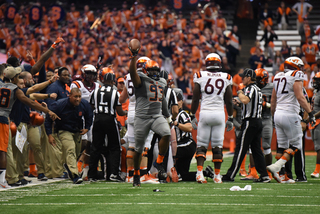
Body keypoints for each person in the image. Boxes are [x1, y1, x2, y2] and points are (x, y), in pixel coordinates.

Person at [0, 66, 59, 188]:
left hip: (15, 123)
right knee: (6, 151)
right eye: (19, 80)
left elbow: (33, 95)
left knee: (17, 151)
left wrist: (46, 96)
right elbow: (30, 100)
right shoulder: (15, 90)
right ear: (14, 78)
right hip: (7, 121)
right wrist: (48, 111)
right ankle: (9, 178)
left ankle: (16, 176)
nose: (22, 83)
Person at [128, 44, 172, 187]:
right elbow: (133, 73)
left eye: (156, 70)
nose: (154, 73)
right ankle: (135, 174)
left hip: (156, 115)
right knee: (139, 149)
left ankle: (158, 162)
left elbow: (162, 99)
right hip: (141, 117)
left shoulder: (162, 82)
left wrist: (168, 115)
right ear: (146, 71)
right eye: (151, 70)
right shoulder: (140, 80)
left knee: (166, 133)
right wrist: (134, 57)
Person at [267, 56, 316, 183]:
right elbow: (300, 97)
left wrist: (274, 115)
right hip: (290, 113)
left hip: (278, 113)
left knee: (282, 146)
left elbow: (273, 99)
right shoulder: (296, 75)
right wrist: (310, 113)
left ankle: (282, 176)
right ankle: (277, 167)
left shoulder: (277, 76)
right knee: (297, 145)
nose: (301, 70)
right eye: (300, 67)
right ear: (295, 66)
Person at [190, 53, 233, 184]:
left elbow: (196, 98)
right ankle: (217, 176)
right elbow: (229, 100)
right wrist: (230, 117)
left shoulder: (200, 75)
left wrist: (192, 115)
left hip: (205, 113)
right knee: (217, 146)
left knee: (202, 146)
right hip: (219, 114)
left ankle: (199, 174)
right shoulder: (226, 77)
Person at [222, 68, 270, 183]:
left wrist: (239, 92)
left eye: (243, 77)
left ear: (249, 78)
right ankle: (264, 176)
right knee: (257, 150)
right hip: (257, 121)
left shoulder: (250, 88)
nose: (242, 78)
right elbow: (247, 103)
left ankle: (230, 175)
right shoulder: (257, 89)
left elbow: (245, 100)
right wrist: (239, 103)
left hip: (250, 122)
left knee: (240, 149)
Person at [119, 56, 158, 184]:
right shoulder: (146, 77)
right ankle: (142, 174)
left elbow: (122, 99)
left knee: (132, 146)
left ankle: (130, 175)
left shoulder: (128, 77)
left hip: (130, 113)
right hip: (143, 112)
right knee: (144, 147)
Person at [45, 88, 93, 184]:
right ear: (69, 96)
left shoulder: (84, 104)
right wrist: (49, 134)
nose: (77, 99)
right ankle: (75, 175)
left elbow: (89, 115)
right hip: (64, 130)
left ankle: (68, 165)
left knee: (76, 152)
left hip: (77, 131)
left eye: (79, 97)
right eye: (75, 96)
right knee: (70, 149)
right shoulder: (59, 105)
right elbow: (48, 119)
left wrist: (87, 127)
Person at [88, 72, 127, 182]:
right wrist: (125, 112)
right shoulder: (115, 93)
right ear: (112, 82)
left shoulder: (95, 91)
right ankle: (113, 174)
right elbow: (119, 111)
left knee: (95, 147)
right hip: (109, 119)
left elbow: (91, 106)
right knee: (115, 147)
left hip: (98, 119)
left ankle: (92, 175)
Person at [70, 64, 99, 180]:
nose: (91, 76)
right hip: (79, 116)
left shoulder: (97, 86)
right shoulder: (77, 84)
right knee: (83, 142)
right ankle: (75, 163)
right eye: (89, 74)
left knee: (92, 144)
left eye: (93, 74)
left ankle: (84, 166)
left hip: (92, 116)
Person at [172, 88, 197, 181]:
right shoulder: (169, 114)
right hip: (181, 145)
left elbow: (189, 128)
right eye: (174, 100)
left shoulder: (182, 114)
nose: (176, 103)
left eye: (178, 100)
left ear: (182, 102)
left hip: (187, 144)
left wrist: (177, 124)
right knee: (183, 175)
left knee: (168, 151)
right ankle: (203, 173)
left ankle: (162, 172)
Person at [308, 72, 320, 178]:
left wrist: (312, 117)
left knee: (319, 147)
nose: (315, 82)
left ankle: (317, 170)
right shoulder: (316, 91)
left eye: (317, 80)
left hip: (319, 121)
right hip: (315, 121)